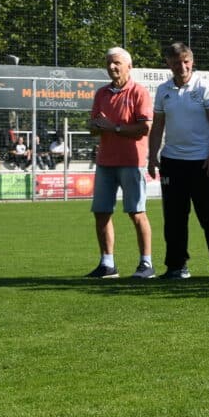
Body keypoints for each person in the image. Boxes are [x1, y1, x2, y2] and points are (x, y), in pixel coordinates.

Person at [148, 41, 209, 280]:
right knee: (173, 219)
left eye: (185, 62)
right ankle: (176, 267)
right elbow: (157, 127)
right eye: (176, 63)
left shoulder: (204, 87)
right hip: (172, 162)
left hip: (202, 162)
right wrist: (152, 157)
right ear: (168, 64)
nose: (181, 67)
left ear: (192, 62)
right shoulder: (163, 90)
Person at [84, 47, 154, 280]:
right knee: (101, 213)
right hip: (105, 162)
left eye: (116, 63)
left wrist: (112, 127)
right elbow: (93, 126)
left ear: (128, 66)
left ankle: (146, 263)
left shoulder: (139, 92)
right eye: (108, 63)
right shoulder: (101, 94)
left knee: (137, 213)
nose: (111, 67)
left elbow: (144, 128)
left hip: (131, 162)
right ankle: (107, 264)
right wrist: (97, 126)